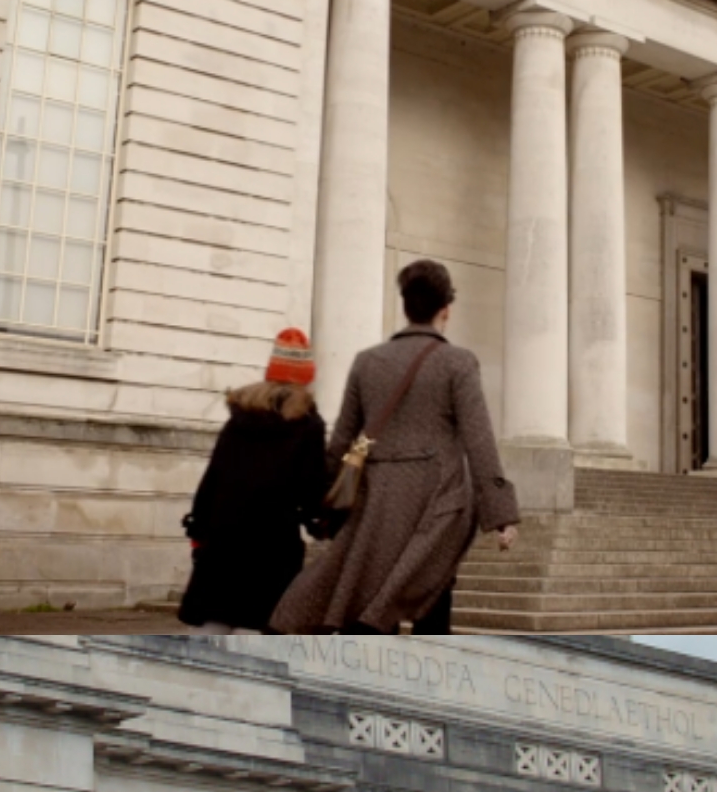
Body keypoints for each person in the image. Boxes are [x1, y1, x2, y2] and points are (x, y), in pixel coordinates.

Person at [272, 259, 519, 634]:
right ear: (446, 309)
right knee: (433, 598)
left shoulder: (367, 362)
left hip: (378, 502)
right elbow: (479, 440)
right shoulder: (459, 363)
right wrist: (501, 515)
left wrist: (323, 501)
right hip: (439, 503)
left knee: (366, 595)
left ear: (405, 306)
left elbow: (341, 442)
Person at [177, 328, 328, 632]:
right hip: (273, 542)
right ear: (305, 377)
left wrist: (199, 529)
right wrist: (323, 522)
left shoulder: (239, 418)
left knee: (213, 625)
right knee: (256, 626)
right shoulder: (307, 424)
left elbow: (213, 477)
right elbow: (312, 486)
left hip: (224, 538)